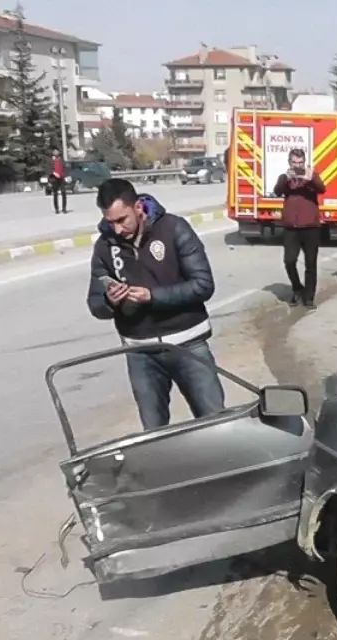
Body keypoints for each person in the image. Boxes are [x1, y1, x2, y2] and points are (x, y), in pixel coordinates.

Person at [86, 179, 225, 431]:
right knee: (153, 435)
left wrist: (153, 296)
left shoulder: (174, 228)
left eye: (122, 220)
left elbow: (203, 285)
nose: (117, 229)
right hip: (141, 354)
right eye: (110, 222)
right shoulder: (104, 246)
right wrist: (110, 300)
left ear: (138, 207)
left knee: (215, 424)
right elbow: (95, 304)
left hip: (188, 346)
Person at [273, 148, 327, 308]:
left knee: (311, 263)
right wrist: (286, 180)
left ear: (304, 162)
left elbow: (322, 189)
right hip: (291, 227)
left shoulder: (311, 176)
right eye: (294, 162)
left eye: (300, 163)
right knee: (289, 261)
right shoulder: (285, 178)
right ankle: (297, 288)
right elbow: (277, 191)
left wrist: (309, 178)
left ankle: (309, 297)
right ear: (289, 163)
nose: (297, 166)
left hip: (310, 226)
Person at [48, 149, 68, 215]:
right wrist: (53, 173)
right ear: (53, 153)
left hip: (61, 178)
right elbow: (48, 169)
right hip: (54, 179)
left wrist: (66, 175)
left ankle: (64, 208)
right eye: (55, 151)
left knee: (63, 193)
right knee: (55, 194)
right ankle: (56, 209)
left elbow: (65, 168)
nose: (56, 152)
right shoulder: (50, 161)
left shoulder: (61, 160)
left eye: (57, 151)